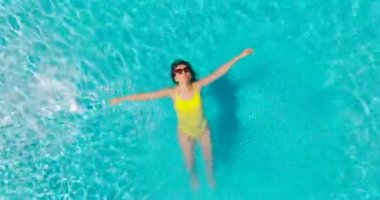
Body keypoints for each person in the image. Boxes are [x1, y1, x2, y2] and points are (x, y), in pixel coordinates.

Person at [110, 48, 254, 189]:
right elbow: (147, 96)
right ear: (175, 77)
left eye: (186, 70)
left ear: (190, 74)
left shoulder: (198, 86)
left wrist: (239, 56)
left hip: (203, 130)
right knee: (190, 162)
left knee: (209, 160)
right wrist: (122, 98)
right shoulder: (172, 93)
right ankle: (193, 178)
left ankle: (210, 178)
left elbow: (218, 73)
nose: (183, 72)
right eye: (179, 71)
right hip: (185, 134)